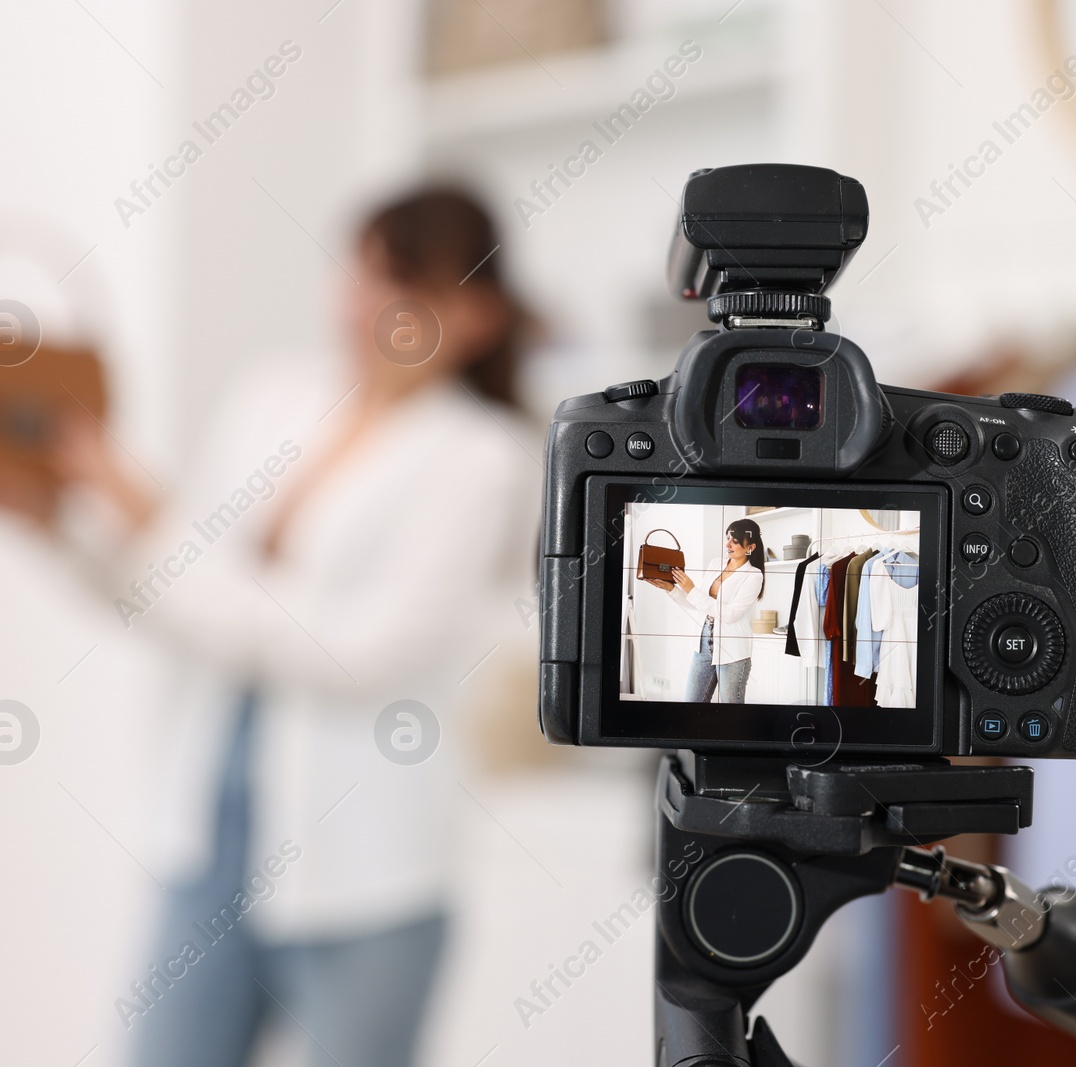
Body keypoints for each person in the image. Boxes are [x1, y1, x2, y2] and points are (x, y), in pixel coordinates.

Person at [53, 187, 538, 1067]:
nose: (364, 306)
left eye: (402, 285)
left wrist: (148, 520)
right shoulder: (272, 399)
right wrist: (62, 522)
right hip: (210, 838)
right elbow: (183, 603)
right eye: (358, 275)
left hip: (370, 867)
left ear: (474, 315)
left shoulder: (483, 456)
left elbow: (355, 652)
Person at [653, 519, 764, 703]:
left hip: (733, 653)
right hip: (703, 646)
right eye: (728, 538)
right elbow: (699, 604)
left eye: (735, 541)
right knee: (692, 704)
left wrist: (691, 589)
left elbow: (730, 614)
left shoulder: (754, 575)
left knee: (732, 713)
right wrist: (671, 588)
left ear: (750, 547)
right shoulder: (715, 564)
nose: (728, 544)